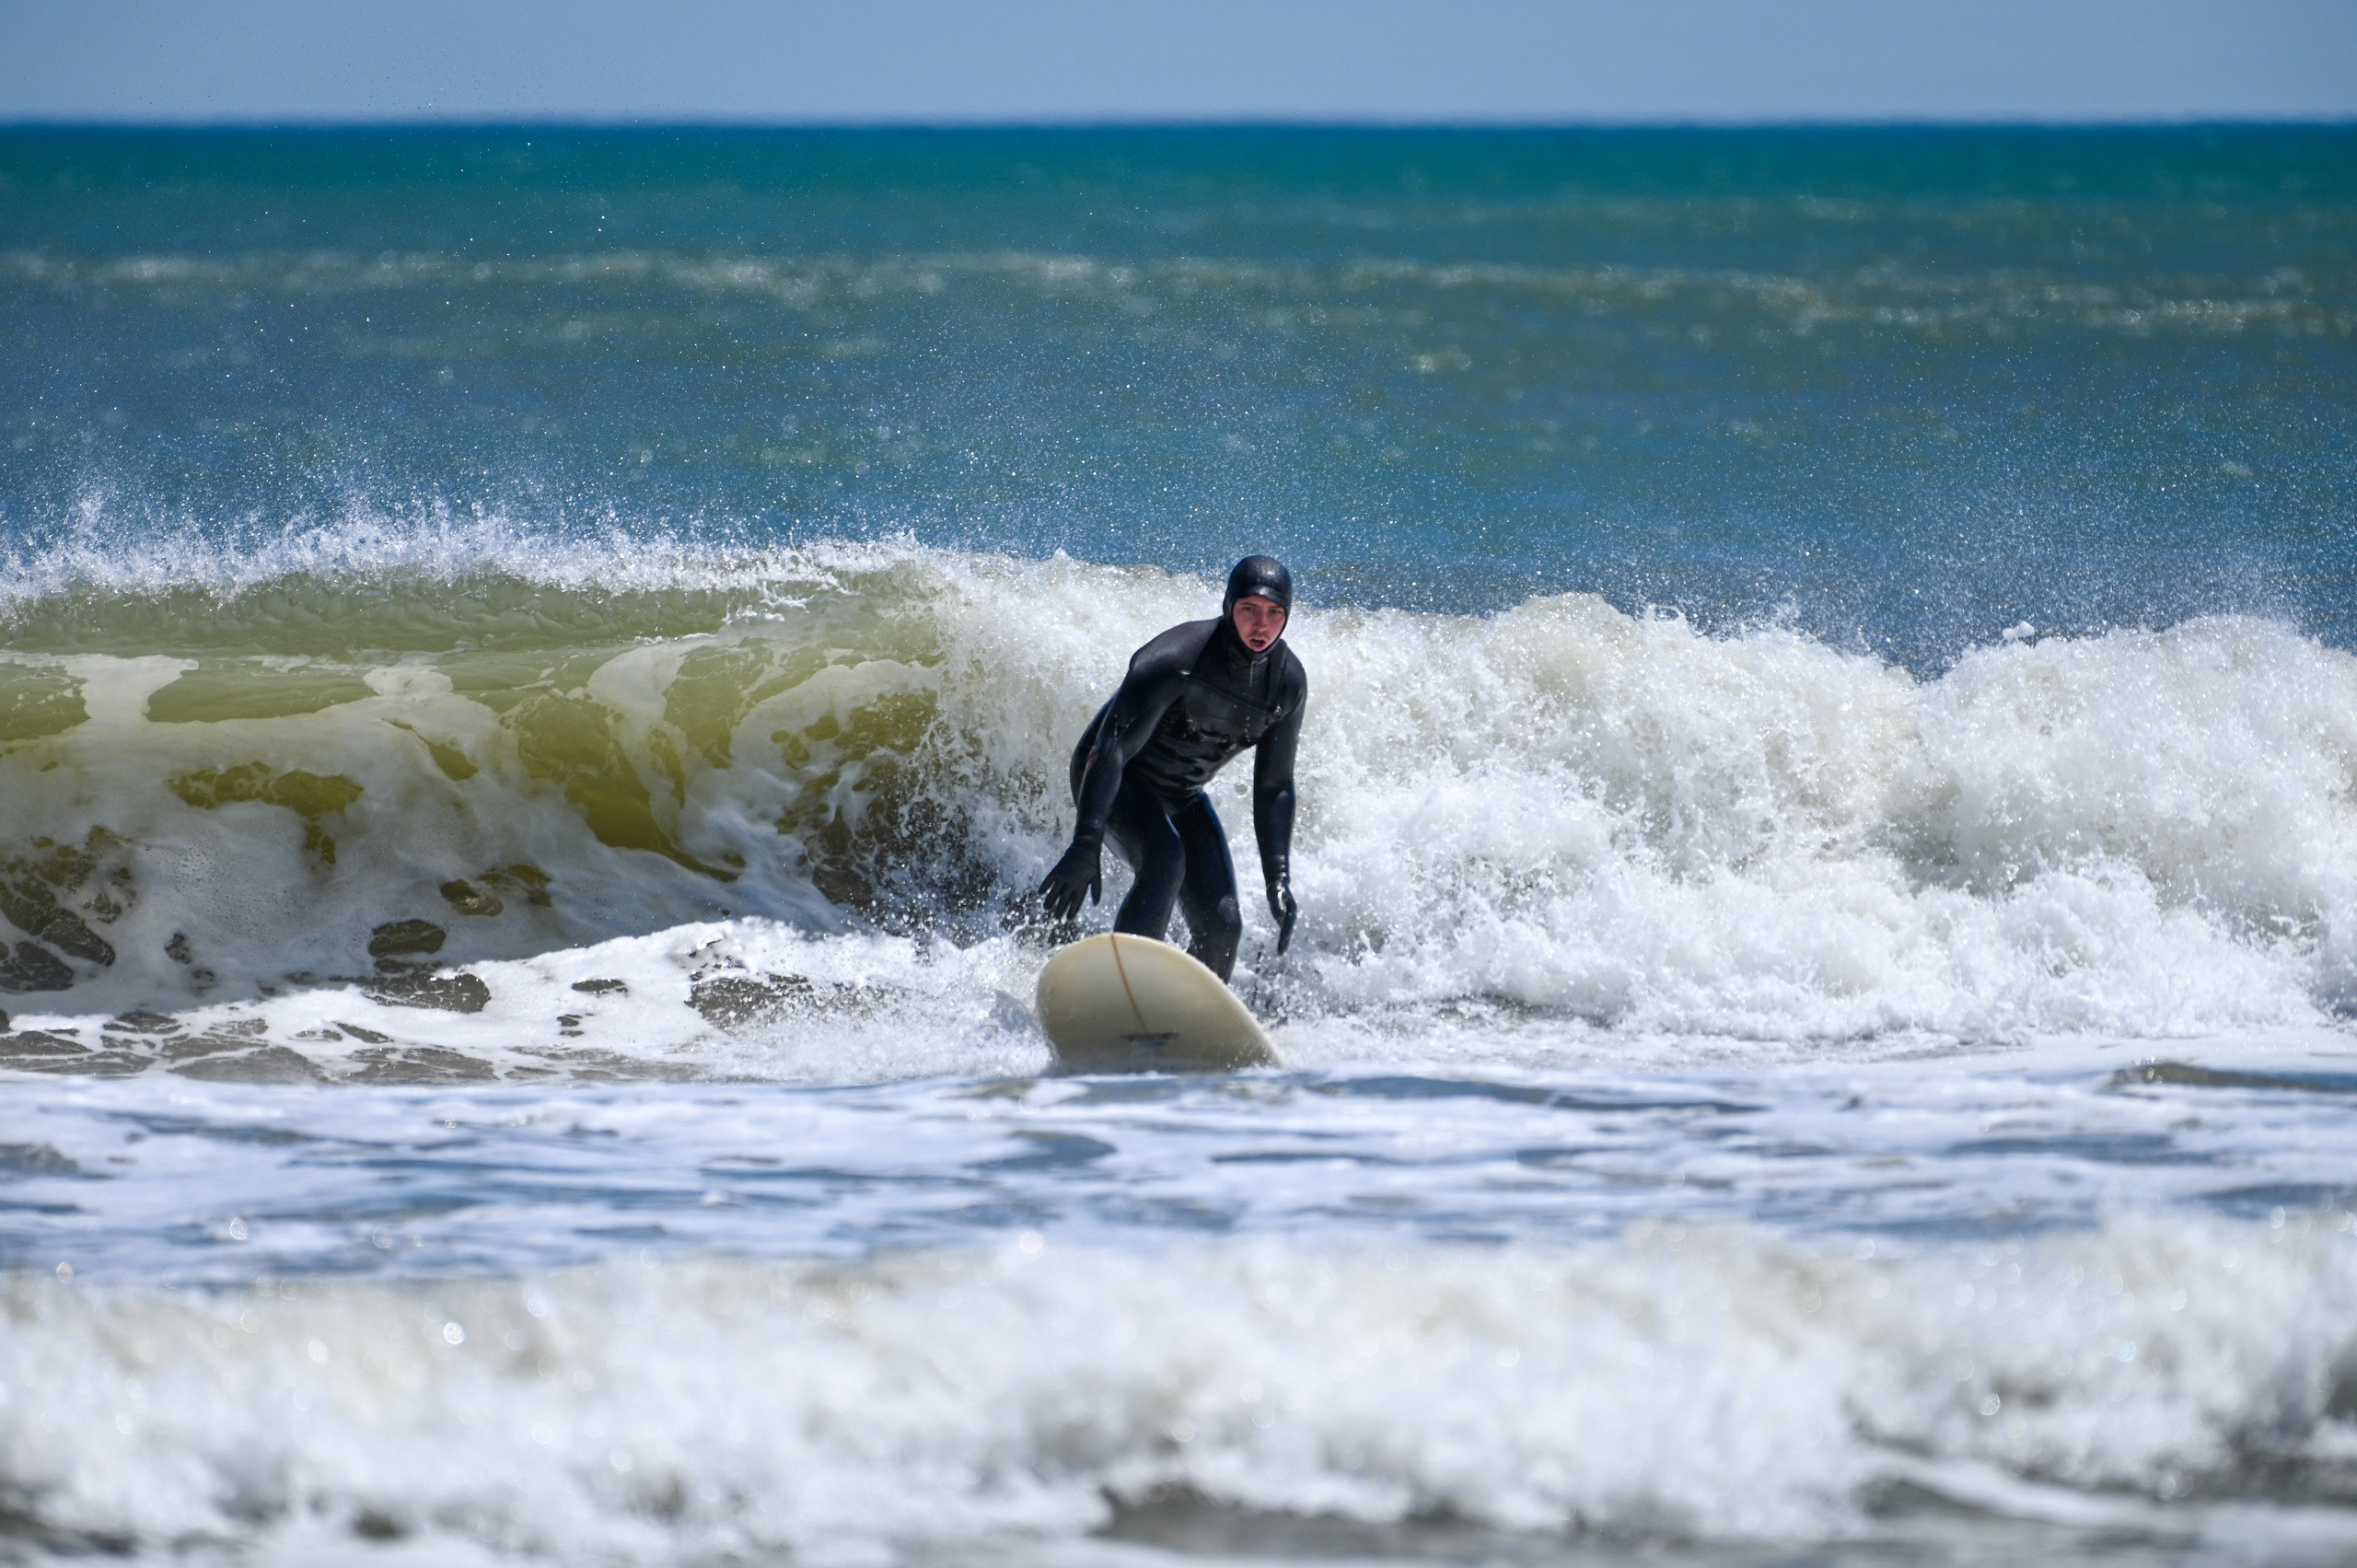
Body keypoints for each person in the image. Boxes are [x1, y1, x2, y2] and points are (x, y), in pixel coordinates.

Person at [1037, 556, 1306, 981]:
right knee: (1165, 858)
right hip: (1113, 776)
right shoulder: (1176, 659)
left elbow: (1275, 786)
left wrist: (1279, 879)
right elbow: (1110, 749)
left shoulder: (1286, 685)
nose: (1262, 625)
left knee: (1223, 924)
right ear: (1228, 606)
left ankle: (1182, 1009)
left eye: (1275, 613)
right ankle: (1123, 985)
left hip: (1182, 794)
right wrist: (1085, 844)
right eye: (1249, 609)